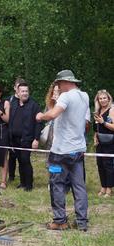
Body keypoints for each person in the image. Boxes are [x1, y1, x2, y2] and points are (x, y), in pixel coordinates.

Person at [36, 69, 89, 231]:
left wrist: (40, 116)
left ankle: (60, 221)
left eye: (59, 84)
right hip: (78, 150)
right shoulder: (84, 96)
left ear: (65, 82)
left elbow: (53, 114)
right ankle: (82, 222)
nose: (58, 87)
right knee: (79, 186)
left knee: (56, 184)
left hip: (60, 152)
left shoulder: (66, 97)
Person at [8, 82, 42, 191]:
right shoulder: (14, 104)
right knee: (19, 160)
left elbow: (38, 123)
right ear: (17, 92)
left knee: (25, 160)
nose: (25, 93)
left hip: (27, 139)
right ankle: (22, 182)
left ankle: (29, 185)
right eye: (22, 91)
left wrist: (36, 139)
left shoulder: (34, 106)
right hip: (14, 139)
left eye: (26, 91)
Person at [93, 89, 114, 198]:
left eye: (104, 98)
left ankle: (109, 189)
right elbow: (96, 128)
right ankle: (103, 187)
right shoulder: (98, 110)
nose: (102, 100)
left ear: (109, 98)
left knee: (108, 165)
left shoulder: (112, 110)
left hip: (110, 142)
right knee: (100, 164)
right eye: (100, 98)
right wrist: (95, 137)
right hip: (100, 142)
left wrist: (103, 122)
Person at [8, 77, 26, 182]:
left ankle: (23, 178)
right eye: (18, 86)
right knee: (12, 156)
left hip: (22, 135)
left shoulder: (26, 101)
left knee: (22, 158)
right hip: (11, 133)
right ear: (15, 88)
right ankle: (11, 176)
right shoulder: (10, 100)